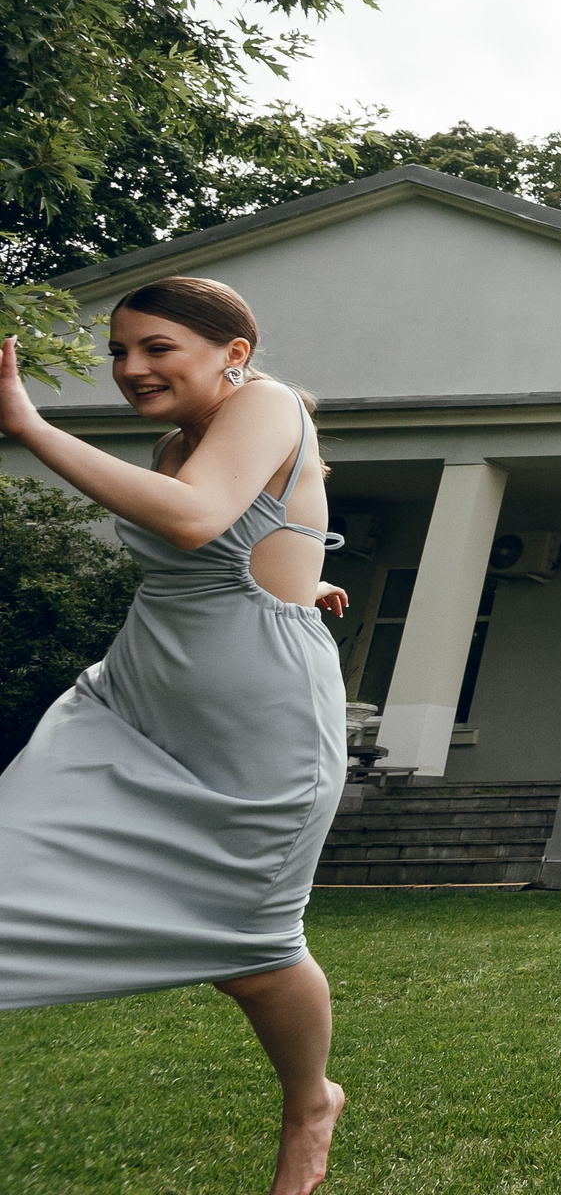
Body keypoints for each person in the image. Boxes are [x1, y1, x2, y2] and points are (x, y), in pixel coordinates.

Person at [0, 279, 351, 1195]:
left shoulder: (266, 403)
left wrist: (30, 426)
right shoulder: (175, 442)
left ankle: (310, 1104)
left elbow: (197, 519)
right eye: (120, 351)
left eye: (157, 347)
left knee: (255, 951)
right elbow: (239, 536)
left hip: (258, 734)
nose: (131, 368)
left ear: (234, 353)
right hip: (129, 706)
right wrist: (303, 577)